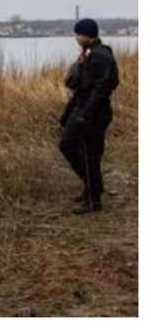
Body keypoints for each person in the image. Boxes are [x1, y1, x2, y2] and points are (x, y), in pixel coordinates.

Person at [59, 18, 120, 214]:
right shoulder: (89, 54)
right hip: (84, 109)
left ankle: (94, 200)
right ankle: (92, 188)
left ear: (86, 34)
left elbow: (102, 89)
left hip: (93, 113)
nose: (75, 37)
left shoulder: (100, 56)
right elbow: (78, 86)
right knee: (71, 147)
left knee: (88, 154)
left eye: (77, 34)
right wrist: (67, 114)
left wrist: (85, 115)